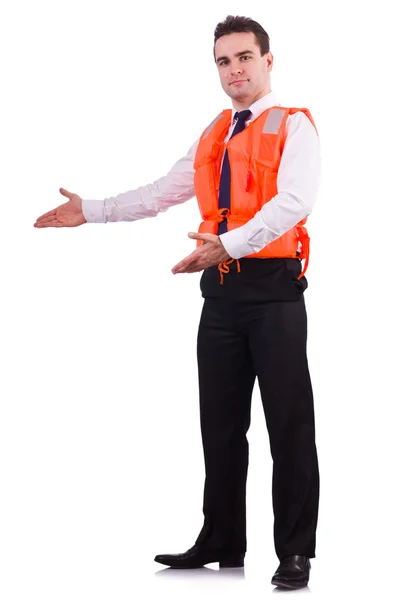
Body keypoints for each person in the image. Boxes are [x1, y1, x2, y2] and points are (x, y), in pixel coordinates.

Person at [34, 15, 321, 590]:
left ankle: (294, 552)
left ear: (268, 61)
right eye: (223, 61)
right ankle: (221, 538)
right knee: (219, 424)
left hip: (273, 292)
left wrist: (229, 245)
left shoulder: (295, 126)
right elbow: (162, 192)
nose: (234, 70)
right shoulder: (214, 133)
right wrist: (91, 209)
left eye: (244, 57)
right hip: (219, 294)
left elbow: (294, 202)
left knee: (288, 424)